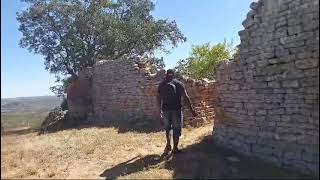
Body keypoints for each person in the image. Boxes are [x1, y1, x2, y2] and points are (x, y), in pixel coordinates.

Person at [157, 69, 197, 154]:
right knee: (176, 129)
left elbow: (158, 98)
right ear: (174, 75)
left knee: (168, 129)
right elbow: (186, 98)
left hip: (165, 110)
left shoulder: (161, 84)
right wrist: (192, 110)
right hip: (176, 110)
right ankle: (175, 148)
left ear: (166, 75)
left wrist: (159, 110)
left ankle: (168, 145)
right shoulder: (179, 84)